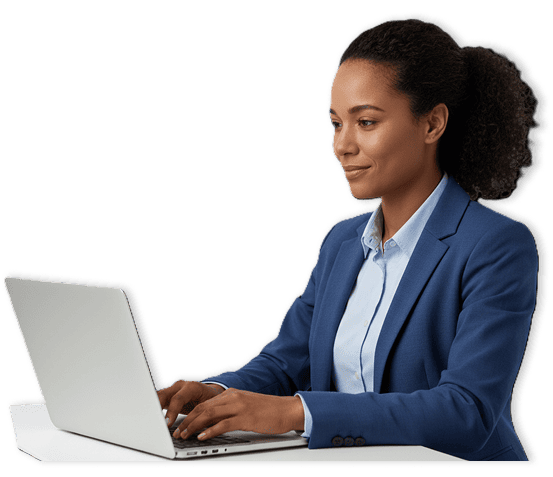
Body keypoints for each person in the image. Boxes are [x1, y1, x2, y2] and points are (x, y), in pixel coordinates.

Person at [157, 13, 544, 462]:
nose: (341, 145)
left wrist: (297, 413)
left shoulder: (496, 244)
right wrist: (214, 392)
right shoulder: (343, 241)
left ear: (432, 124)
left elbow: (466, 411)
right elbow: (285, 363)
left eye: (366, 122)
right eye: (336, 123)